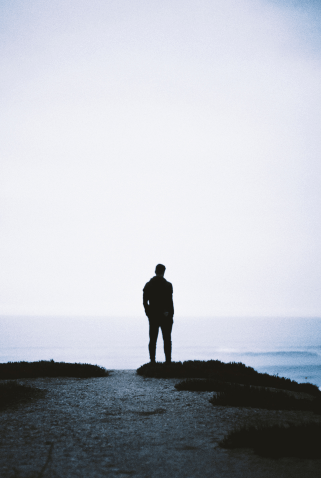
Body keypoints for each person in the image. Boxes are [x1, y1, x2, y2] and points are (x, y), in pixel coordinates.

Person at [143, 264, 174, 363]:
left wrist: (149, 313)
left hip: (154, 316)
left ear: (155, 271)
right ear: (163, 272)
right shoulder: (168, 285)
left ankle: (152, 362)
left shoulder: (148, 285)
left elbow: (144, 302)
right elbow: (170, 302)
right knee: (167, 340)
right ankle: (168, 361)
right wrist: (170, 314)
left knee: (153, 340)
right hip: (165, 316)